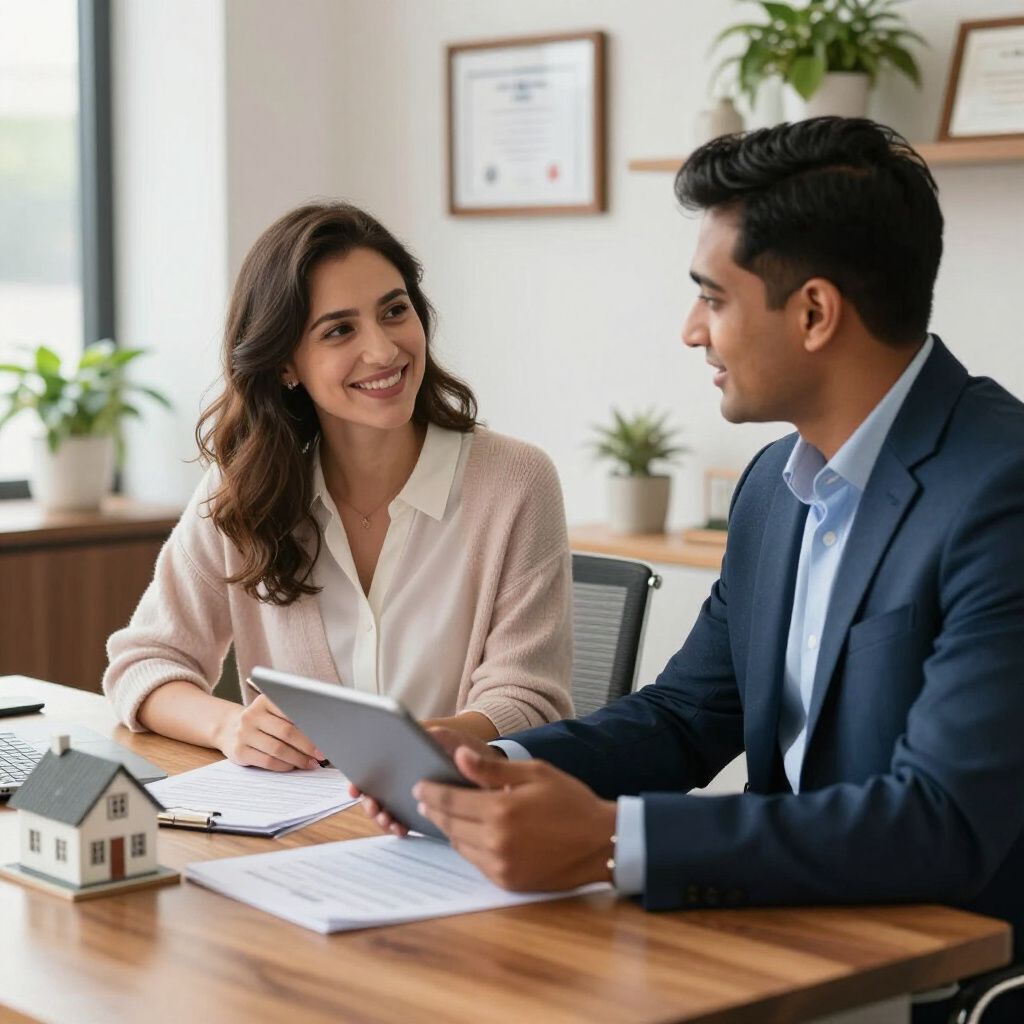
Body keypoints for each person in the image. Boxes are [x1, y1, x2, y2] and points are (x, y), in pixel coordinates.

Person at [363, 119, 1024, 1022]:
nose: (689, 331)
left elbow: (940, 822)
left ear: (815, 312)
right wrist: (487, 761)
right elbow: (686, 717)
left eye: (711, 298)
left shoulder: (1000, 491)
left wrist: (612, 838)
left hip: (939, 980)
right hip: (772, 945)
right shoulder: (773, 486)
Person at [104, 201, 573, 769]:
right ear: (285, 365)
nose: (382, 350)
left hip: (456, 825)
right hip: (294, 835)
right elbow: (145, 663)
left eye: (395, 311)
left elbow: (529, 699)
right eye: (339, 329)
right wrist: (230, 725)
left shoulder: (515, 483)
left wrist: (401, 755)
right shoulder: (243, 490)